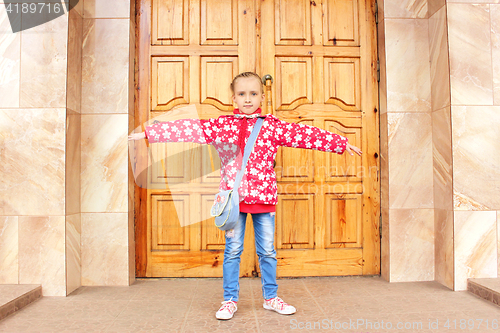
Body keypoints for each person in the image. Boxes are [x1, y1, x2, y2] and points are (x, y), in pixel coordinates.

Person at [129, 72, 362, 320]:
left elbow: (304, 134)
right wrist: (148, 134)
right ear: (234, 98)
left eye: (253, 94)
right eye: (242, 94)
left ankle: (271, 298)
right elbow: (189, 129)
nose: (248, 99)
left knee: (268, 252)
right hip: (233, 202)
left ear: (261, 96)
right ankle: (229, 301)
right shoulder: (222, 125)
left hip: (264, 199)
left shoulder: (272, 125)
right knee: (232, 251)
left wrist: (339, 142)